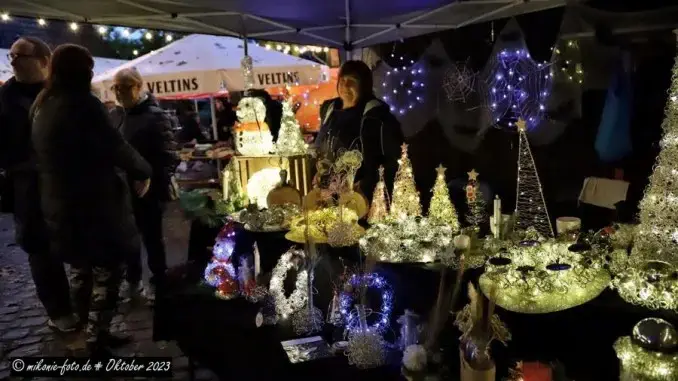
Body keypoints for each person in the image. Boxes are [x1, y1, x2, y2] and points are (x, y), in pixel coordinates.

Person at [30, 44, 152, 355]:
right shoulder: (82, 105)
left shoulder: (43, 105)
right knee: (108, 272)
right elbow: (116, 146)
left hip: (60, 204)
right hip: (94, 205)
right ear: (81, 71)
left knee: (81, 271)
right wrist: (143, 169)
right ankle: (98, 336)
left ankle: (87, 330)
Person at [0, 37, 77, 332]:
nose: (14, 61)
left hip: (70, 184)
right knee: (41, 250)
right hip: (29, 189)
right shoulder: (6, 99)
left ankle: (89, 306)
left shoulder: (63, 91)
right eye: (12, 56)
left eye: (20, 55)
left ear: (45, 60)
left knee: (80, 242)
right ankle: (60, 312)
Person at [110, 68, 178, 302]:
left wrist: (150, 178)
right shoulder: (115, 115)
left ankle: (159, 283)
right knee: (128, 239)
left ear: (138, 87)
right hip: (121, 190)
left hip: (149, 190)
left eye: (125, 87)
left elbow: (168, 156)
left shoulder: (155, 116)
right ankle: (133, 280)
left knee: (152, 239)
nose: (119, 92)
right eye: (116, 87)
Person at [314, 60, 404, 201]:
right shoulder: (329, 110)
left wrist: (367, 186)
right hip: (328, 195)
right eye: (342, 80)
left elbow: (393, 160)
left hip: (361, 198)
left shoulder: (377, 117)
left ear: (364, 86)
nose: (345, 85)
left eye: (352, 81)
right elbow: (320, 147)